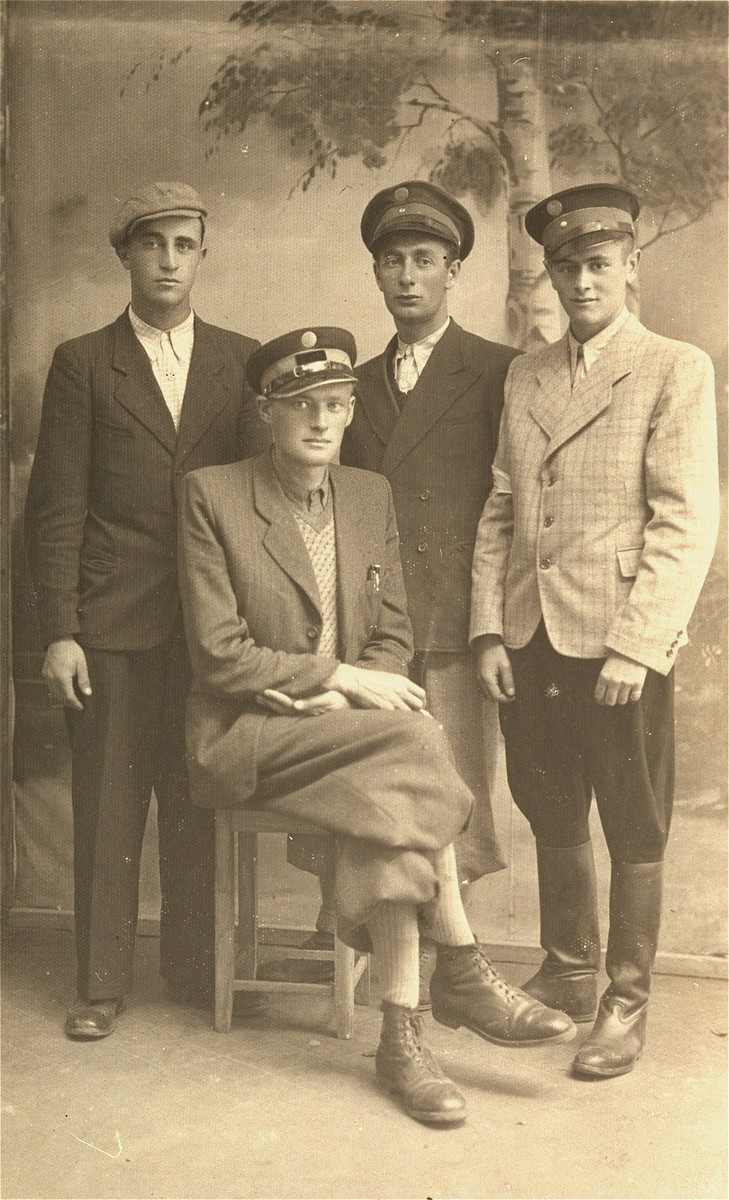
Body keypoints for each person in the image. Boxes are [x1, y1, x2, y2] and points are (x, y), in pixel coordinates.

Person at [177, 326, 575, 1126]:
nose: (321, 422)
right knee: (414, 739)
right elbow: (220, 657)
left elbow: (394, 632)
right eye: (300, 407)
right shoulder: (211, 494)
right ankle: (459, 964)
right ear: (266, 414)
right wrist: (338, 680)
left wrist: (356, 692)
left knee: (388, 789)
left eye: (334, 404)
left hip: (350, 739)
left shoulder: (367, 495)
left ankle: (403, 1030)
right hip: (247, 733)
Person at [470, 183, 719, 1078]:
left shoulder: (671, 367)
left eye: (597, 265)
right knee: (548, 806)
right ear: (551, 273)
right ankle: (569, 970)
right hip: (532, 634)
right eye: (565, 266)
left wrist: (639, 644)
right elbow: (501, 507)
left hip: (618, 642)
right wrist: (488, 630)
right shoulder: (525, 372)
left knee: (633, 819)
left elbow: (685, 519)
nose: (580, 281)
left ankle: (624, 996)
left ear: (628, 269)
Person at [24, 182, 266, 1039]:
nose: (168, 260)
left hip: (210, 626)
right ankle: (98, 984)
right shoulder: (84, 362)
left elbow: (257, 506)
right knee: (109, 803)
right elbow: (55, 507)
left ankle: (200, 971)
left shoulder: (242, 360)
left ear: (202, 255)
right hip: (111, 622)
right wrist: (60, 630)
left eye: (184, 245)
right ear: (125, 254)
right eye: (152, 244)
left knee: (199, 794)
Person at [324, 180, 517, 995]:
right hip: (372, 628)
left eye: (424, 260)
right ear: (375, 275)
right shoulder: (349, 382)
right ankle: (386, 946)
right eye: (391, 260)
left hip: (451, 619)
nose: (407, 275)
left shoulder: (500, 372)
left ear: (453, 272)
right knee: (373, 790)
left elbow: (511, 505)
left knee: (454, 788)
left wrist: (488, 626)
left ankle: (446, 966)